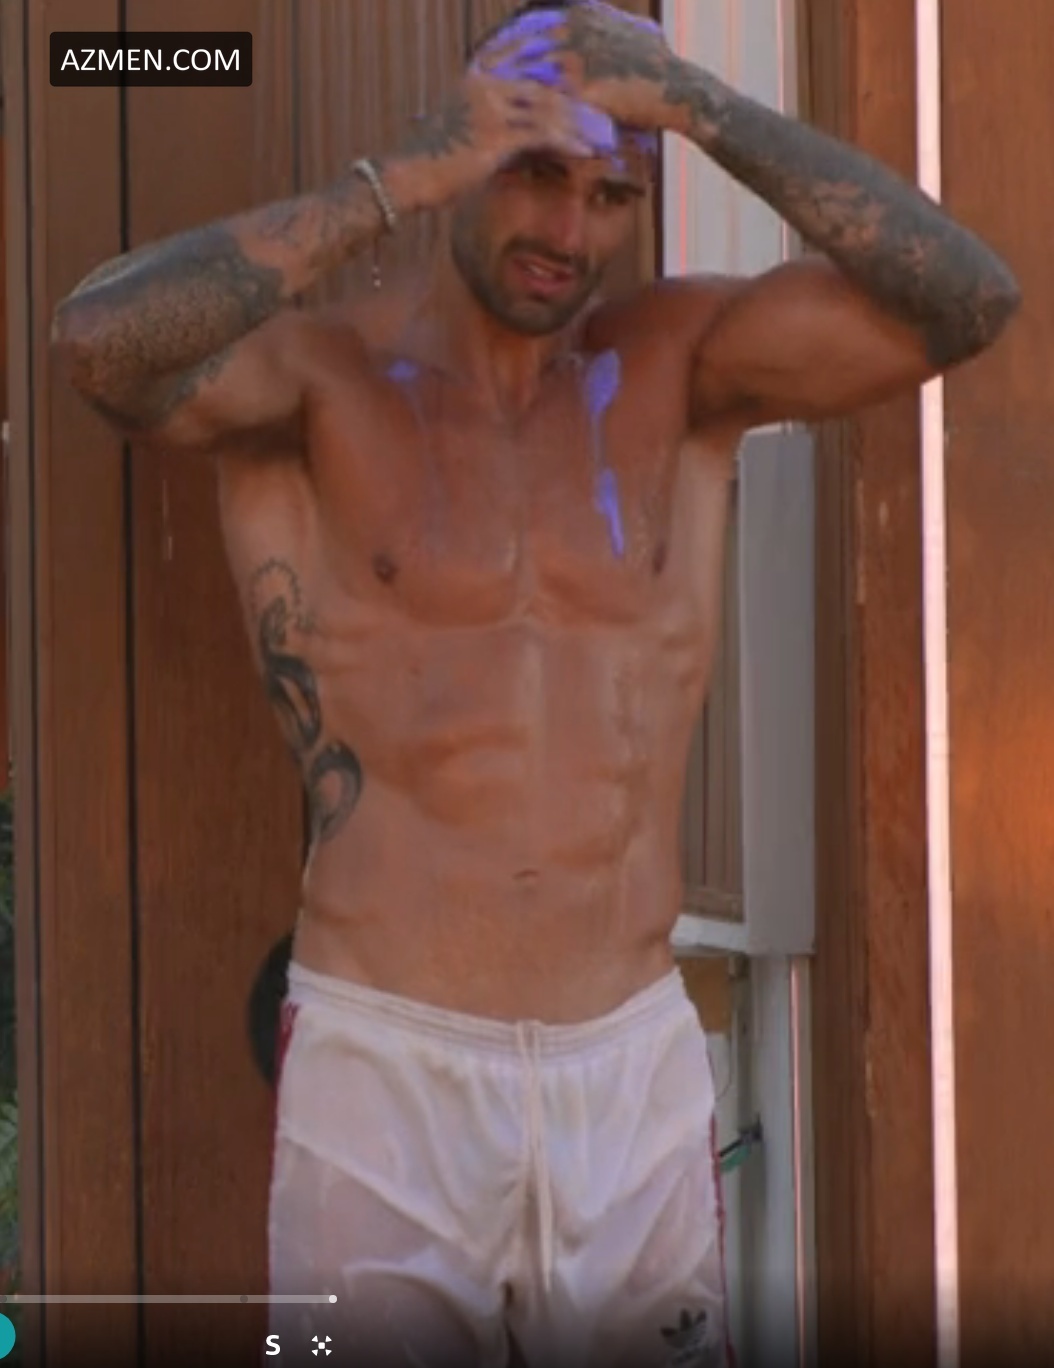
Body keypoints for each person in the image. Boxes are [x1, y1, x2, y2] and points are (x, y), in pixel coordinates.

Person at [50, 2, 1019, 1364]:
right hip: (385, 1065)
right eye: (532, 172)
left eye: (610, 193)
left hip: (626, 1060)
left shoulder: (679, 369)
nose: (568, 228)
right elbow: (101, 344)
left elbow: (966, 300)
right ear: (462, 150)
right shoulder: (320, 383)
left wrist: (703, 105)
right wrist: (392, 179)